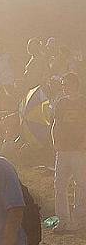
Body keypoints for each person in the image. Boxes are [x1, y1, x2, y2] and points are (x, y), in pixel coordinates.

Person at [51, 72, 86, 233]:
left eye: (66, 84)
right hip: (63, 149)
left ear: (74, 84)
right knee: (59, 185)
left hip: (78, 149)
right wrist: (55, 140)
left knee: (81, 184)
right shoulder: (61, 103)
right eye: (63, 84)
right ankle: (63, 220)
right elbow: (56, 123)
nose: (64, 87)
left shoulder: (82, 102)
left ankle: (79, 219)